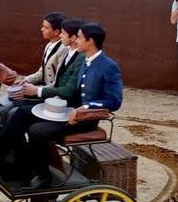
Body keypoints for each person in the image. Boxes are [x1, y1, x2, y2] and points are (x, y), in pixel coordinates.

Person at [20, 22, 123, 189]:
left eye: (80, 38)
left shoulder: (108, 66)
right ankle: (27, 165)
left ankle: (43, 177)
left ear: (90, 41)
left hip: (85, 119)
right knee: (24, 116)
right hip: (69, 112)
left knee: (37, 131)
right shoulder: (86, 60)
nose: (76, 41)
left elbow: (114, 101)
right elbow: (73, 92)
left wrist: (86, 108)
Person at [0, 19, 84, 177]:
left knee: (16, 114)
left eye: (64, 34)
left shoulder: (75, 56)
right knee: (15, 113)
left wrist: (36, 91)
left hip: (60, 104)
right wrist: (28, 84)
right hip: (54, 98)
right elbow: (48, 76)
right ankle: (4, 156)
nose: (62, 37)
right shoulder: (68, 52)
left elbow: (65, 88)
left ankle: (10, 159)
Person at [2, 12, 71, 120]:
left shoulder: (64, 50)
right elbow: (42, 72)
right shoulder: (49, 45)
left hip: (51, 95)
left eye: (46, 27)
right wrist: (26, 80)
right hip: (41, 89)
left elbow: (58, 82)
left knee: (8, 110)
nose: (41, 29)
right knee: (5, 104)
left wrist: (36, 90)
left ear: (57, 32)